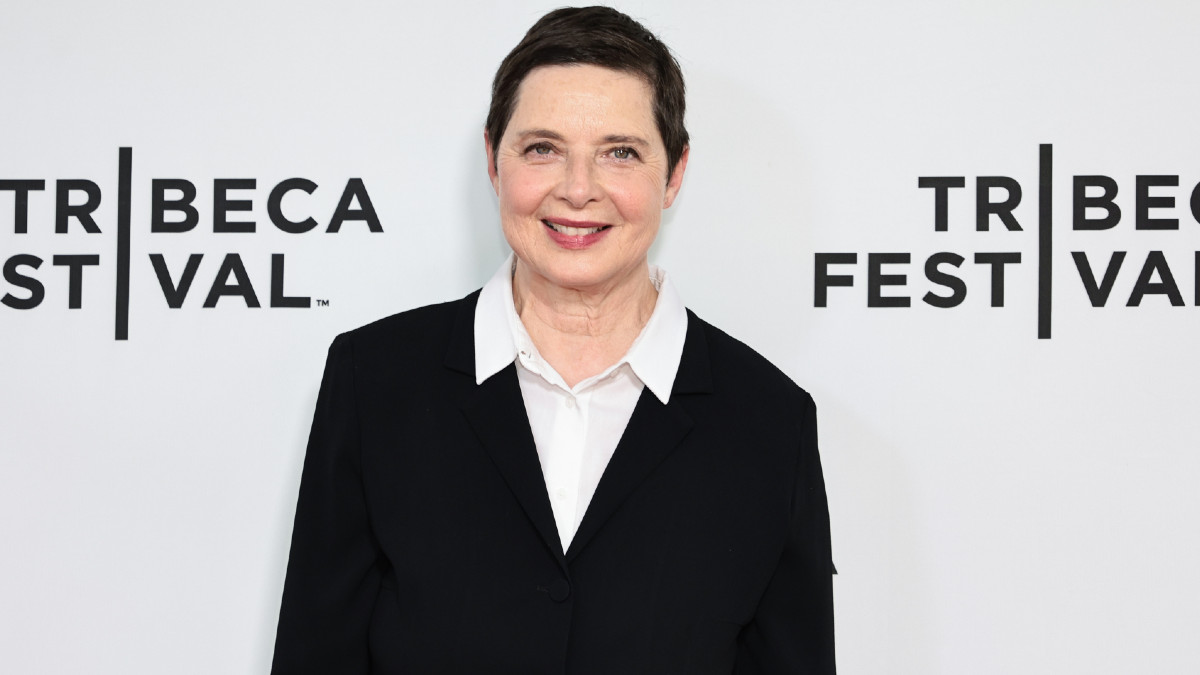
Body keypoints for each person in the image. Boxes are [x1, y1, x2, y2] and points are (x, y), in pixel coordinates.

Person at [271, 6, 835, 674]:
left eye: (619, 153)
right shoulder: (375, 383)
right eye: (543, 148)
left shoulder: (770, 422)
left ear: (675, 172)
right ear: (494, 159)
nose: (577, 189)